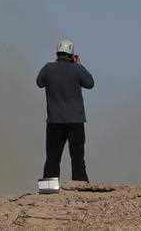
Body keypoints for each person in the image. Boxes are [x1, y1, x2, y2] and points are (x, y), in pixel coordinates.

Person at [37, 38, 94, 183]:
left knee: (53, 157)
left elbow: (39, 82)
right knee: (77, 156)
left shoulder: (48, 68)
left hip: (55, 121)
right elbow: (90, 83)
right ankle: (80, 184)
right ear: (71, 55)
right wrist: (79, 64)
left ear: (57, 53)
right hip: (75, 120)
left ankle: (49, 186)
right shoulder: (77, 69)